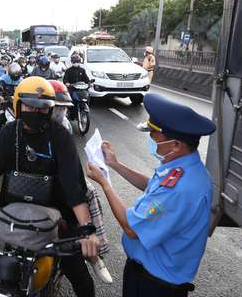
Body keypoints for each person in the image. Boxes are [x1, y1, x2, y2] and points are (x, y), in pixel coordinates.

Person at [0, 77, 100, 297]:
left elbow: (74, 188)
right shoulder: (8, 133)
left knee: (82, 279)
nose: (35, 112)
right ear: (19, 105)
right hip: (12, 212)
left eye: (42, 108)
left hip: (59, 215)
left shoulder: (61, 137)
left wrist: (86, 229)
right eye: (29, 106)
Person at [86, 93, 216, 297]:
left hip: (155, 286)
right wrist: (114, 164)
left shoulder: (179, 189)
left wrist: (105, 183)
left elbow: (131, 228)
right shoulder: (186, 167)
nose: (151, 139)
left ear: (176, 145)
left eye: (155, 135)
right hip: (149, 276)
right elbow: (152, 183)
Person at [48, 79, 113, 284]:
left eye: (63, 108)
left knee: (89, 190)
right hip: (31, 183)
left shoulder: (65, 126)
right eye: (56, 108)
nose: (60, 112)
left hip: (61, 178)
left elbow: (69, 161)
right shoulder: (20, 127)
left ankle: (95, 253)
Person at [0, 63, 24, 136]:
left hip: (18, 104)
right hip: (5, 103)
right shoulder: (3, 78)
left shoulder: (22, 81)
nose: (15, 78)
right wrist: (0, 96)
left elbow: (26, 90)